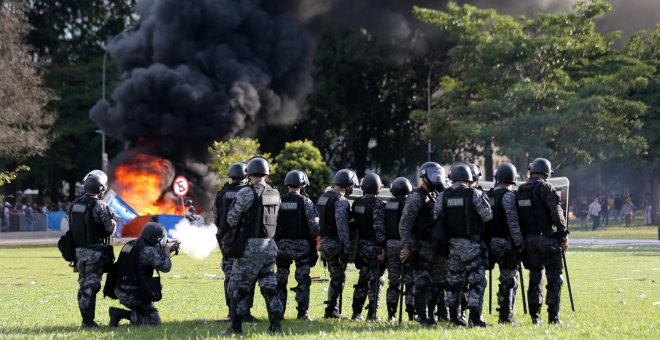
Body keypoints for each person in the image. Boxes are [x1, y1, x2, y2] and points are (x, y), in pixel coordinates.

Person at [224, 156, 282, 335]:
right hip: (270, 245)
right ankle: (275, 327)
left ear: (249, 173)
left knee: (240, 287)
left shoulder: (246, 193)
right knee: (269, 286)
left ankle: (235, 327)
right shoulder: (275, 193)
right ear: (266, 173)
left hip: (250, 246)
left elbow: (231, 219)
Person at [434, 162, 492, 327]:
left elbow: (436, 217)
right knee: (477, 281)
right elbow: (487, 215)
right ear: (468, 178)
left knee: (453, 282)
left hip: (451, 245)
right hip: (470, 245)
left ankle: (454, 318)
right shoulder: (473, 194)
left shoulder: (442, 196)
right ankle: (474, 317)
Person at [516, 158, 568, 325]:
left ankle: (535, 318)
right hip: (547, 239)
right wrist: (563, 235)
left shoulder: (521, 189)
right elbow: (556, 214)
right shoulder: (546, 187)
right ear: (546, 173)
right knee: (554, 279)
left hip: (529, 241)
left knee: (535, 278)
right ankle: (553, 317)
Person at [400, 162, 448, 326]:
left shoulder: (436, 196)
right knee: (421, 283)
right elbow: (404, 225)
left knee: (439, 283)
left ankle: (431, 314)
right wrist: (408, 247)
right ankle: (422, 318)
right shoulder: (416, 197)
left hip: (437, 248)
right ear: (423, 177)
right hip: (420, 247)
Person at [68, 172, 116, 327]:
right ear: (101, 189)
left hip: (78, 252)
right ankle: (88, 322)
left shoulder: (74, 204)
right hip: (95, 253)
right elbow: (110, 229)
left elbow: (73, 226)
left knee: (83, 285)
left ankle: (86, 319)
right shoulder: (101, 206)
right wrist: (113, 220)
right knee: (92, 285)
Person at [109, 222, 178, 326]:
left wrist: (166, 250)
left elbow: (146, 258)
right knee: (154, 321)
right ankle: (120, 314)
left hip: (120, 289)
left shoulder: (132, 244)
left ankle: (118, 314)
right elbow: (166, 267)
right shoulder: (148, 250)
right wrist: (167, 252)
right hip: (132, 294)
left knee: (141, 315)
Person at [212, 162, 257, 322]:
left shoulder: (221, 193)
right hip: (246, 241)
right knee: (248, 276)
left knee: (230, 276)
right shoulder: (250, 192)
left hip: (228, 241)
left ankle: (231, 312)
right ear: (246, 175)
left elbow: (216, 219)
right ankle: (245, 312)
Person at [275, 170, 320, 321]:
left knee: (280, 281)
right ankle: (302, 313)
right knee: (303, 280)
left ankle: (278, 313)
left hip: (282, 247)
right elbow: (314, 226)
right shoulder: (305, 202)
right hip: (302, 247)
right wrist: (312, 241)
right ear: (302, 184)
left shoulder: (279, 201)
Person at [485, 163, 523, 324]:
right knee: (509, 279)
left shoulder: (488, 195)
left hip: (488, 243)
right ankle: (506, 317)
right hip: (505, 243)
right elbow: (513, 222)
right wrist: (519, 243)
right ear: (512, 178)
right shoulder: (508, 196)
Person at [318, 169, 358, 319]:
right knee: (339, 277)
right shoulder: (340, 201)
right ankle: (331, 311)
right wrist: (345, 252)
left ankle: (331, 309)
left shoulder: (323, 197)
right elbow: (342, 228)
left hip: (324, 242)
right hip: (335, 244)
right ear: (348, 185)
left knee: (335, 276)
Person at [350, 173, 386, 321]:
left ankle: (356, 313)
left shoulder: (357, 203)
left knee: (362, 280)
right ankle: (372, 315)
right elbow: (378, 228)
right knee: (376, 281)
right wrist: (384, 246)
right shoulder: (378, 204)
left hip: (361, 246)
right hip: (374, 247)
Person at [384, 177, 415, 321]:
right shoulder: (409, 204)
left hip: (390, 245)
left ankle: (391, 315)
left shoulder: (388, 204)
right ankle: (411, 314)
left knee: (393, 281)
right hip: (404, 245)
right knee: (409, 281)